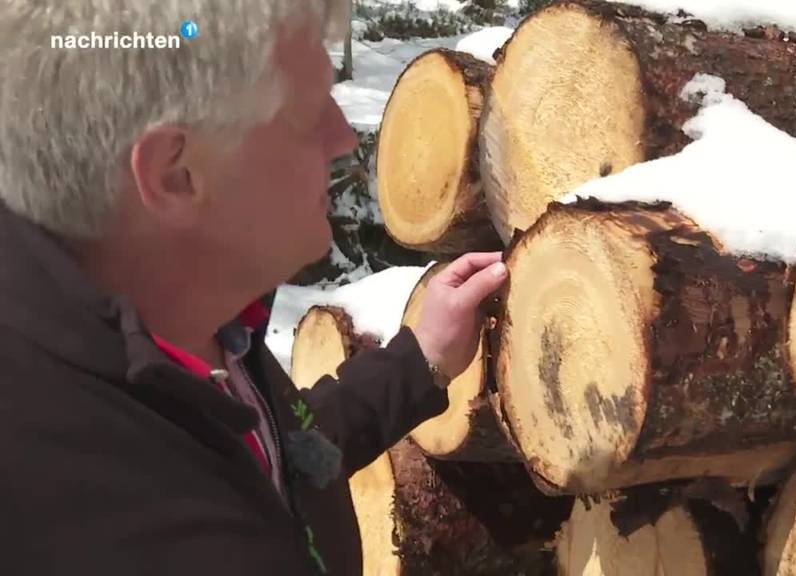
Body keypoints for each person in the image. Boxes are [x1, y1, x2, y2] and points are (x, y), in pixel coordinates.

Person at [0, 1, 508, 574]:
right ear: (176, 175)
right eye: (309, 110)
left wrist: (420, 361)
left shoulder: (170, 318)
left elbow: (274, 454)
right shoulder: (91, 516)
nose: (343, 138)